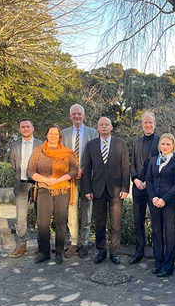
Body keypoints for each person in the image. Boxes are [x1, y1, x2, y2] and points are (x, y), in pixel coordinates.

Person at [82, 117, 130, 265]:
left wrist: (125, 188)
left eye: (106, 124)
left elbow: (126, 167)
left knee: (115, 224)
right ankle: (101, 251)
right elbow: (86, 169)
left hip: (116, 191)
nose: (104, 127)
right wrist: (88, 189)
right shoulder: (91, 145)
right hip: (97, 190)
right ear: (97, 128)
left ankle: (115, 252)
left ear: (111, 127)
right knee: (100, 223)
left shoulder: (120, 144)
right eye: (101, 125)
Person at [28, 125, 78, 264]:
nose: (53, 136)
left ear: (59, 136)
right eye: (51, 133)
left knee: (60, 222)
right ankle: (44, 252)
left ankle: (59, 252)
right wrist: (46, 180)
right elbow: (31, 171)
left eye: (56, 134)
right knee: (43, 223)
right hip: (44, 189)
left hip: (62, 190)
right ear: (46, 135)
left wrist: (58, 180)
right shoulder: (38, 151)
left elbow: (74, 170)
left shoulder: (67, 153)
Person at [146, 133, 175, 277]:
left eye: (168, 144)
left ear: (173, 146)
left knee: (169, 233)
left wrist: (165, 199)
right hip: (154, 202)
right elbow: (148, 181)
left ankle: (168, 265)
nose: (165, 146)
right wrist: (154, 198)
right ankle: (158, 262)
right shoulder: (153, 160)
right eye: (163, 144)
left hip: (169, 202)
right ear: (159, 146)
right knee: (156, 232)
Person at [62, 104, 98, 258]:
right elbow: (61, 156)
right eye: (74, 114)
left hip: (87, 178)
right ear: (70, 116)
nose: (77, 116)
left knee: (86, 210)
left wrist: (84, 170)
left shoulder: (93, 132)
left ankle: (84, 242)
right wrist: (71, 171)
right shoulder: (64, 134)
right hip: (70, 178)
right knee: (71, 210)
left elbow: (96, 156)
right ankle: (74, 243)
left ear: (84, 116)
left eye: (79, 114)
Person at [9, 119, 42, 258]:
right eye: (23, 127)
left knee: (41, 215)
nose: (25, 128)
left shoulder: (41, 144)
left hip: (38, 184)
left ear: (33, 128)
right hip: (21, 184)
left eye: (28, 126)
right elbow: (13, 163)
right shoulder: (15, 145)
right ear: (19, 129)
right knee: (20, 217)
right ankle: (22, 244)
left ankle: (42, 246)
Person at [129, 111, 159, 264]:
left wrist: (148, 181)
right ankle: (139, 252)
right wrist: (135, 179)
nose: (148, 125)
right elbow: (132, 163)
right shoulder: (136, 142)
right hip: (137, 188)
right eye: (145, 122)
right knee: (138, 221)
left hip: (153, 188)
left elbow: (162, 165)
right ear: (142, 125)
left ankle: (157, 253)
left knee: (156, 223)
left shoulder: (161, 141)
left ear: (155, 124)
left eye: (150, 122)